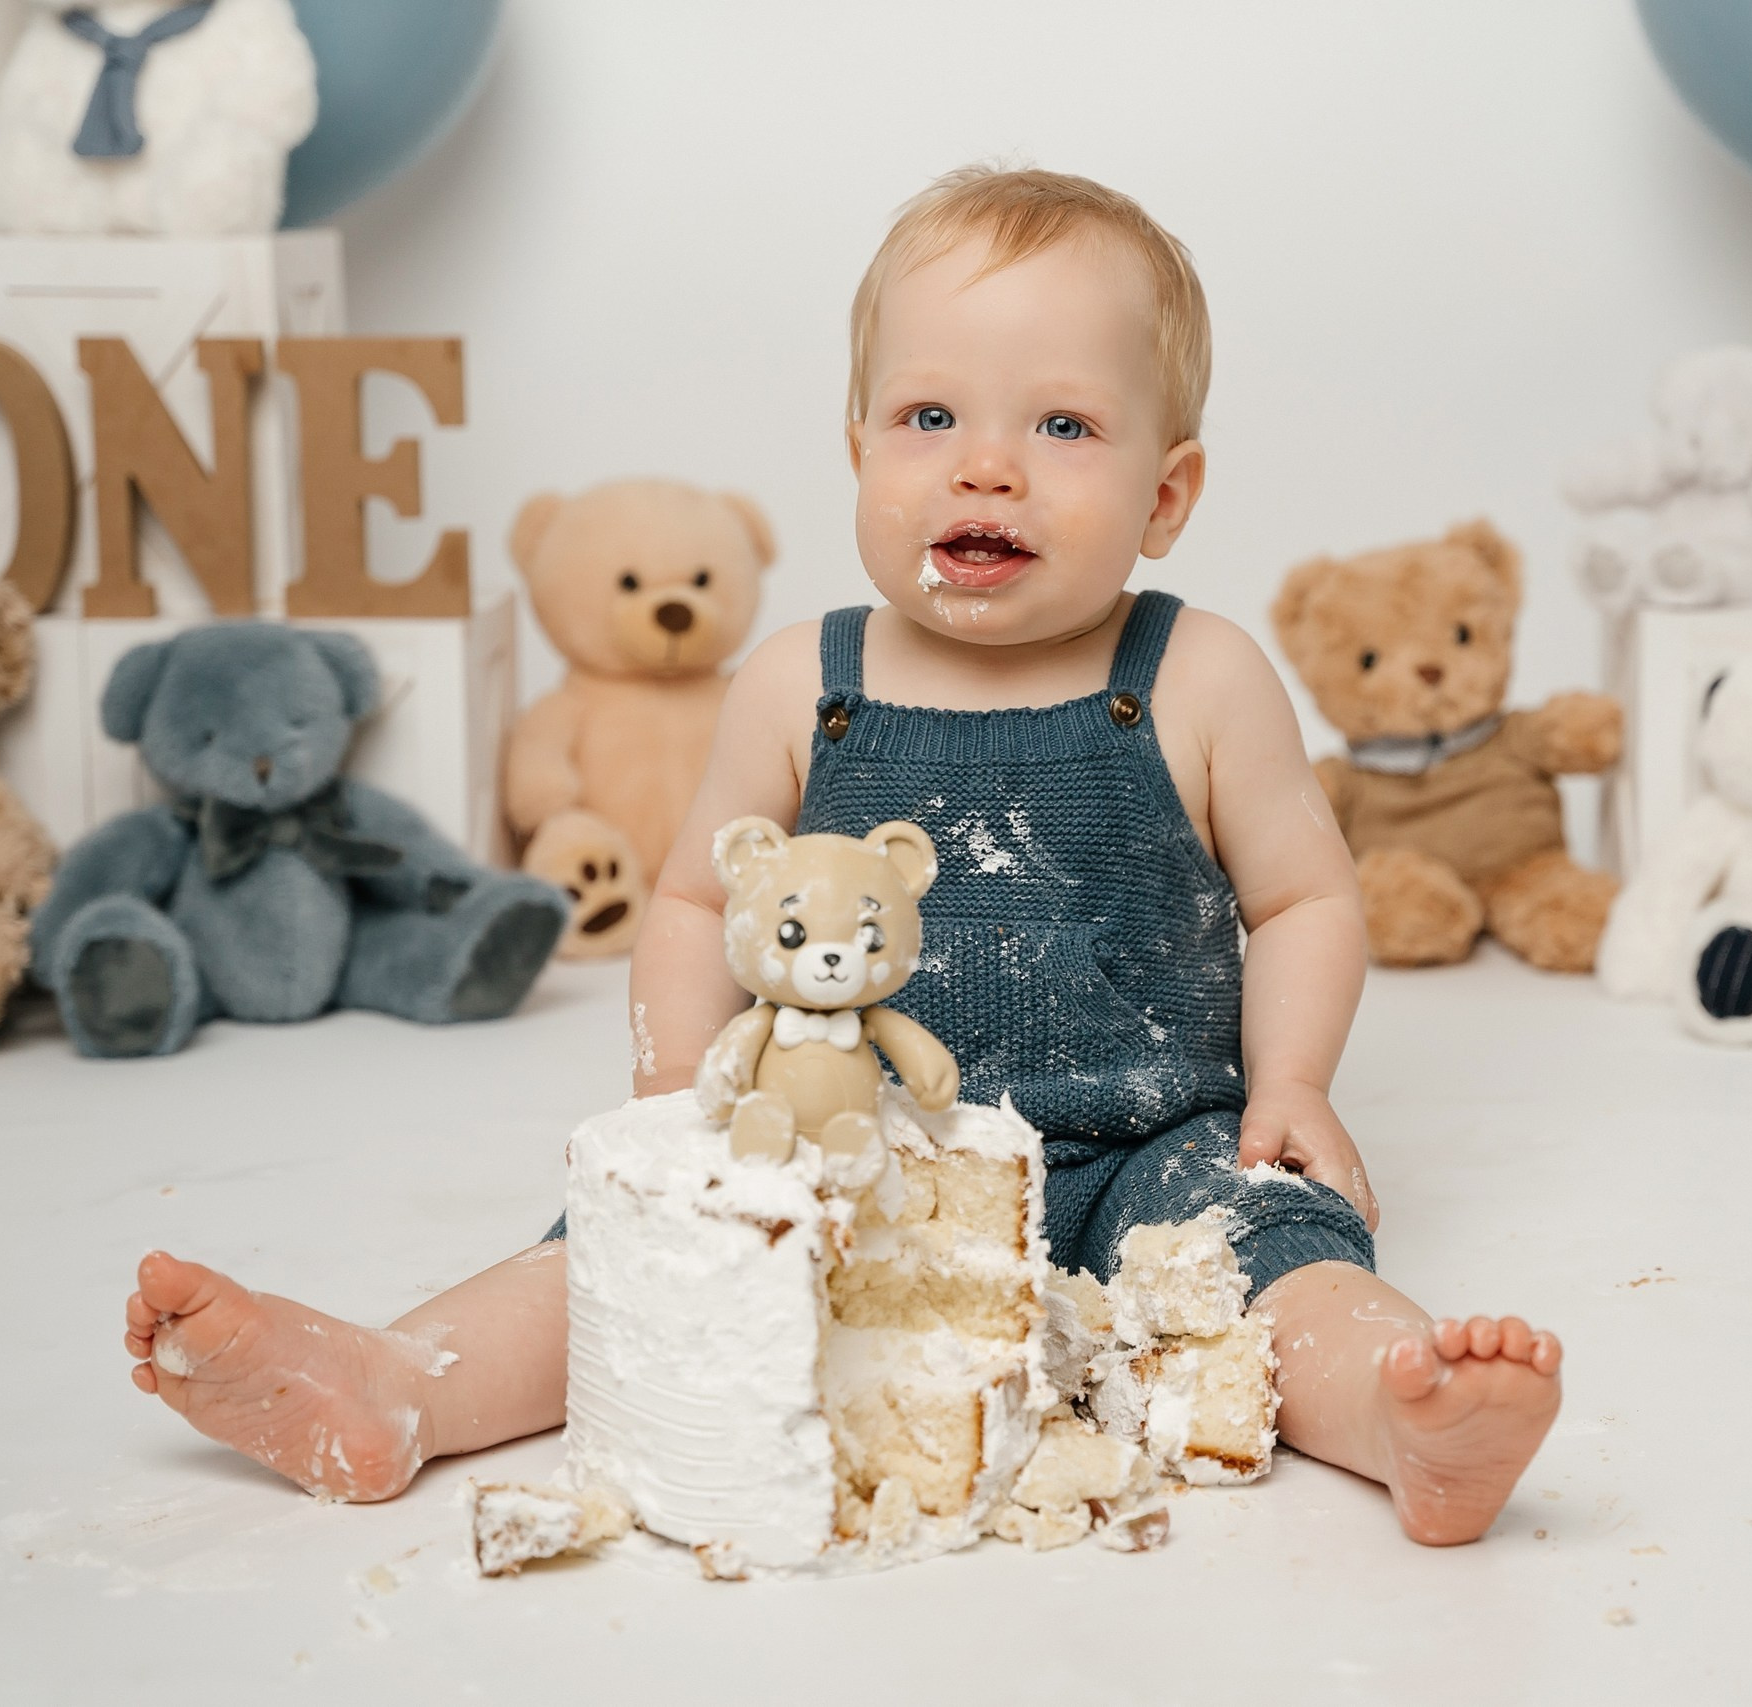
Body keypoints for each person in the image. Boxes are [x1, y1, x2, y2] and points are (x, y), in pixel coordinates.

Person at [123, 166, 1563, 1545]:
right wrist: (682, 1098)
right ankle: (397, 1386)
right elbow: (691, 897)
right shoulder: (801, 683)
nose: (986, 464)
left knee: (1278, 1260)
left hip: (1152, 1140)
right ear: (860, 448)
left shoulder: (1199, 677)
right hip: (848, 1135)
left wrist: (1295, 1082)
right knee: (620, 1268)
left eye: (1063, 427)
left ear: (1167, 496)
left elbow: (1307, 898)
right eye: (930, 415)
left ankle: (1401, 1413)